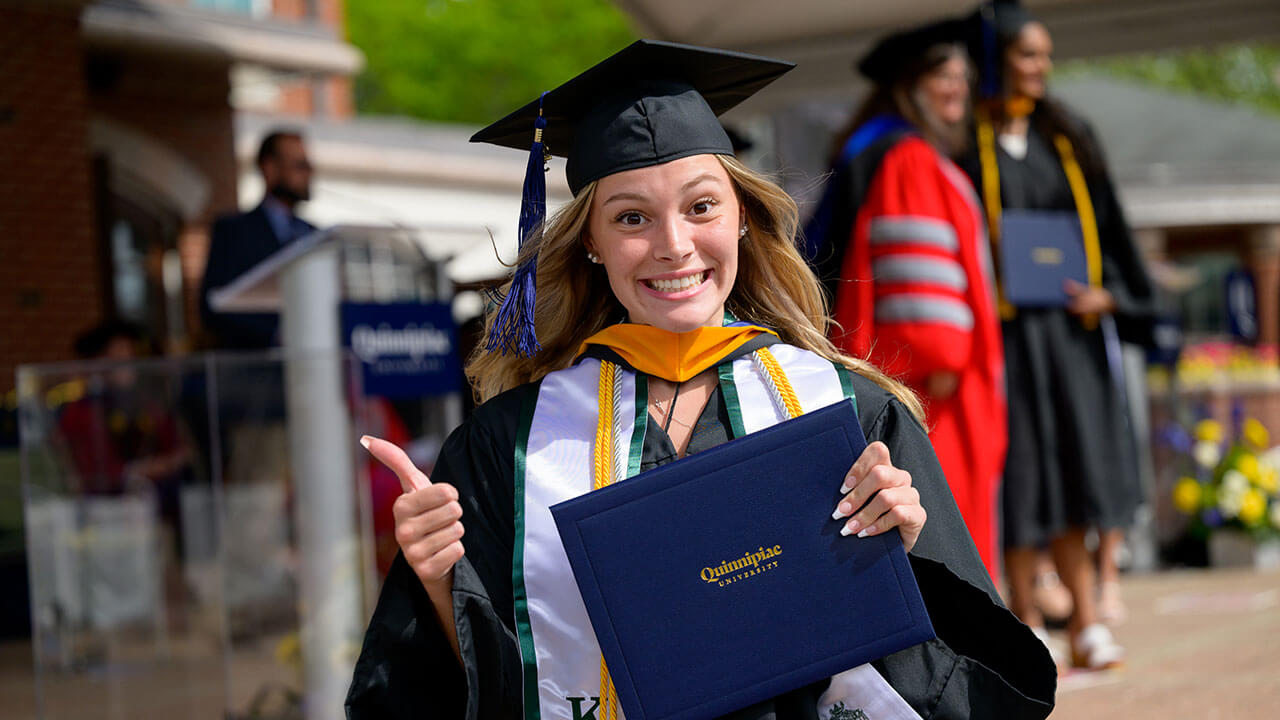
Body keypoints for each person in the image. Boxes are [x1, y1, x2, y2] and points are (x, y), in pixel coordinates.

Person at [347, 40, 1055, 719]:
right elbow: (453, 692)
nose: (674, 245)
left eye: (701, 206)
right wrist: (440, 581)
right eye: (631, 217)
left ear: (742, 215)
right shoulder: (509, 447)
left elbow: (978, 683)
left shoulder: (852, 413)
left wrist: (902, 562)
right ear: (589, 241)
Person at [958, 1, 1156, 670]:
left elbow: (1114, 233)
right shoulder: (962, 144)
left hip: (1068, 338)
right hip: (1005, 340)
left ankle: (1088, 621)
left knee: (1072, 470)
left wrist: (1115, 297)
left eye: (1045, 54)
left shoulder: (1068, 140)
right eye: (1027, 54)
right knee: (1021, 475)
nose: (1042, 66)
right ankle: (1027, 619)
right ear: (995, 61)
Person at [811, 19, 1006, 582]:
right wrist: (936, 357)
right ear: (908, 85)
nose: (958, 89)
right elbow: (916, 276)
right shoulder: (908, 158)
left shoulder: (882, 149)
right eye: (944, 75)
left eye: (963, 77)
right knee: (946, 524)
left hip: (920, 381)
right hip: (931, 388)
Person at [199, 129, 316, 350]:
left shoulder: (313, 234)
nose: (309, 174)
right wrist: (279, 334)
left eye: (309, 166)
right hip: (256, 371)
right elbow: (213, 305)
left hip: (311, 367)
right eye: (300, 165)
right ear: (270, 169)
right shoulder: (233, 231)